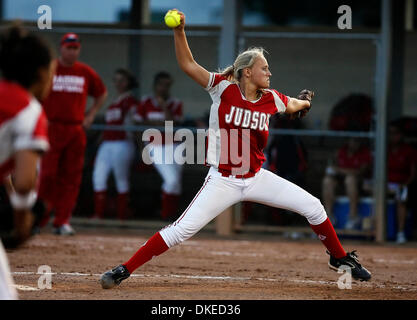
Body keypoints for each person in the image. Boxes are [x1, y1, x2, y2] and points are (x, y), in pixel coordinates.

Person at [100, 10, 371, 289]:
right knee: (180, 231)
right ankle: (123, 269)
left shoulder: (270, 98)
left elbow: (294, 105)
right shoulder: (222, 89)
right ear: (247, 72)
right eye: (264, 68)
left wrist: (305, 103)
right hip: (223, 180)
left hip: (256, 177)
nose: (269, 72)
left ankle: (339, 258)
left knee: (314, 207)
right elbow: (188, 64)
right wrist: (179, 31)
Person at [0, 24, 53, 299]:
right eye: (51, 71)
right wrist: (22, 221)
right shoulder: (29, 108)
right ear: (41, 73)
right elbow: (24, 182)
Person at [38, 32, 107, 235]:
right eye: (69, 47)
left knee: (71, 177)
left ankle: (62, 221)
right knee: (48, 175)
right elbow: (33, 91)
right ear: (61, 48)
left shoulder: (84, 72)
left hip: (75, 129)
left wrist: (91, 115)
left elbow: (101, 93)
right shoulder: (50, 69)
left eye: (75, 48)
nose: (72, 51)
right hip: (51, 127)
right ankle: (39, 220)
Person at [134, 72, 184, 220]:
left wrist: (163, 107)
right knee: (171, 180)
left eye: (167, 85)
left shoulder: (175, 103)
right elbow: (137, 125)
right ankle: (166, 216)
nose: (164, 88)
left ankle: (173, 217)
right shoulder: (145, 102)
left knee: (176, 183)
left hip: (175, 145)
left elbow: (172, 124)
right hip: (154, 145)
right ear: (155, 85)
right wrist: (141, 147)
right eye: (161, 84)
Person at [91, 69, 139, 220]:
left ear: (129, 83)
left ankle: (121, 216)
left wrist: (141, 146)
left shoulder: (131, 101)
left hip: (123, 143)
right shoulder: (114, 101)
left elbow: (135, 124)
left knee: (121, 178)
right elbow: (107, 125)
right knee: (98, 176)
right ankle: (98, 214)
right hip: (107, 143)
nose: (118, 84)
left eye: (122, 80)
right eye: (116, 80)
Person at [322, 138, 372, 229]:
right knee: (327, 181)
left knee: (350, 180)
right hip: (341, 181)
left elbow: (360, 172)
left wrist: (341, 170)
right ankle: (328, 216)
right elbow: (333, 168)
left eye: (357, 141)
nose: (354, 144)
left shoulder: (364, 153)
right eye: (352, 140)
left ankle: (353, 216)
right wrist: (336, 170)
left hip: (359, 184)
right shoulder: (341, 151)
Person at [386, 122, 417, 244]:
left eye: (396, 133)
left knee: (401, 197)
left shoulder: (409, 151)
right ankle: (371, 229)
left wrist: (404, 184)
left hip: (401, 184)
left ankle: (400, 232)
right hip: (384, 185)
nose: (393, 136)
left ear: (402, 135)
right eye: (390, 133)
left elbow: (413, 174)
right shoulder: (384, 149)